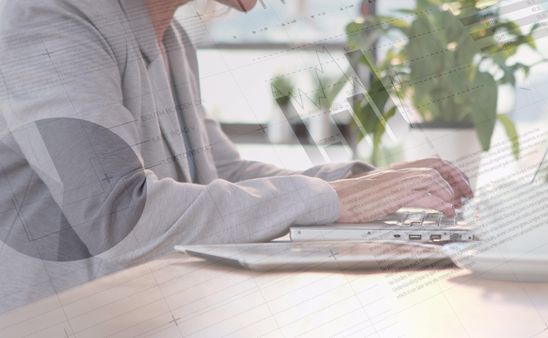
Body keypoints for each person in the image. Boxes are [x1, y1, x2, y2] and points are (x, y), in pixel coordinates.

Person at [0, 0, 472, 313]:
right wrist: (333, 199)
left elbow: (220, 172)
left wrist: (364, 184)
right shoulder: (46, 22)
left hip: (143, 313)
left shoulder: (168, 35)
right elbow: (121, 218)